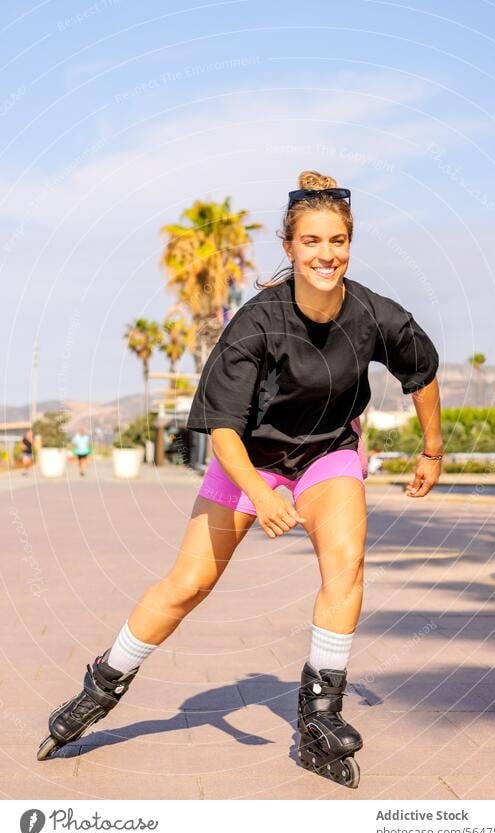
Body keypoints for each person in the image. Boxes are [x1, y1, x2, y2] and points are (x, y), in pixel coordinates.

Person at [38, 170, 443, 789]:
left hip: (328, 452)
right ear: (289, 247)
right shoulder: (256, 322)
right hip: (249, 459)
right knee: (189, 583)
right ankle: (101, 687)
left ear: (350, 244)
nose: (326, 254)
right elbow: (223, 426)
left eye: (337, 241)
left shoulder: (371, 312)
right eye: (312, 242)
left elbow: (422, 368)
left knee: (347, 564)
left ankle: (318, 719)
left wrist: (432, 450)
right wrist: (259, 493)